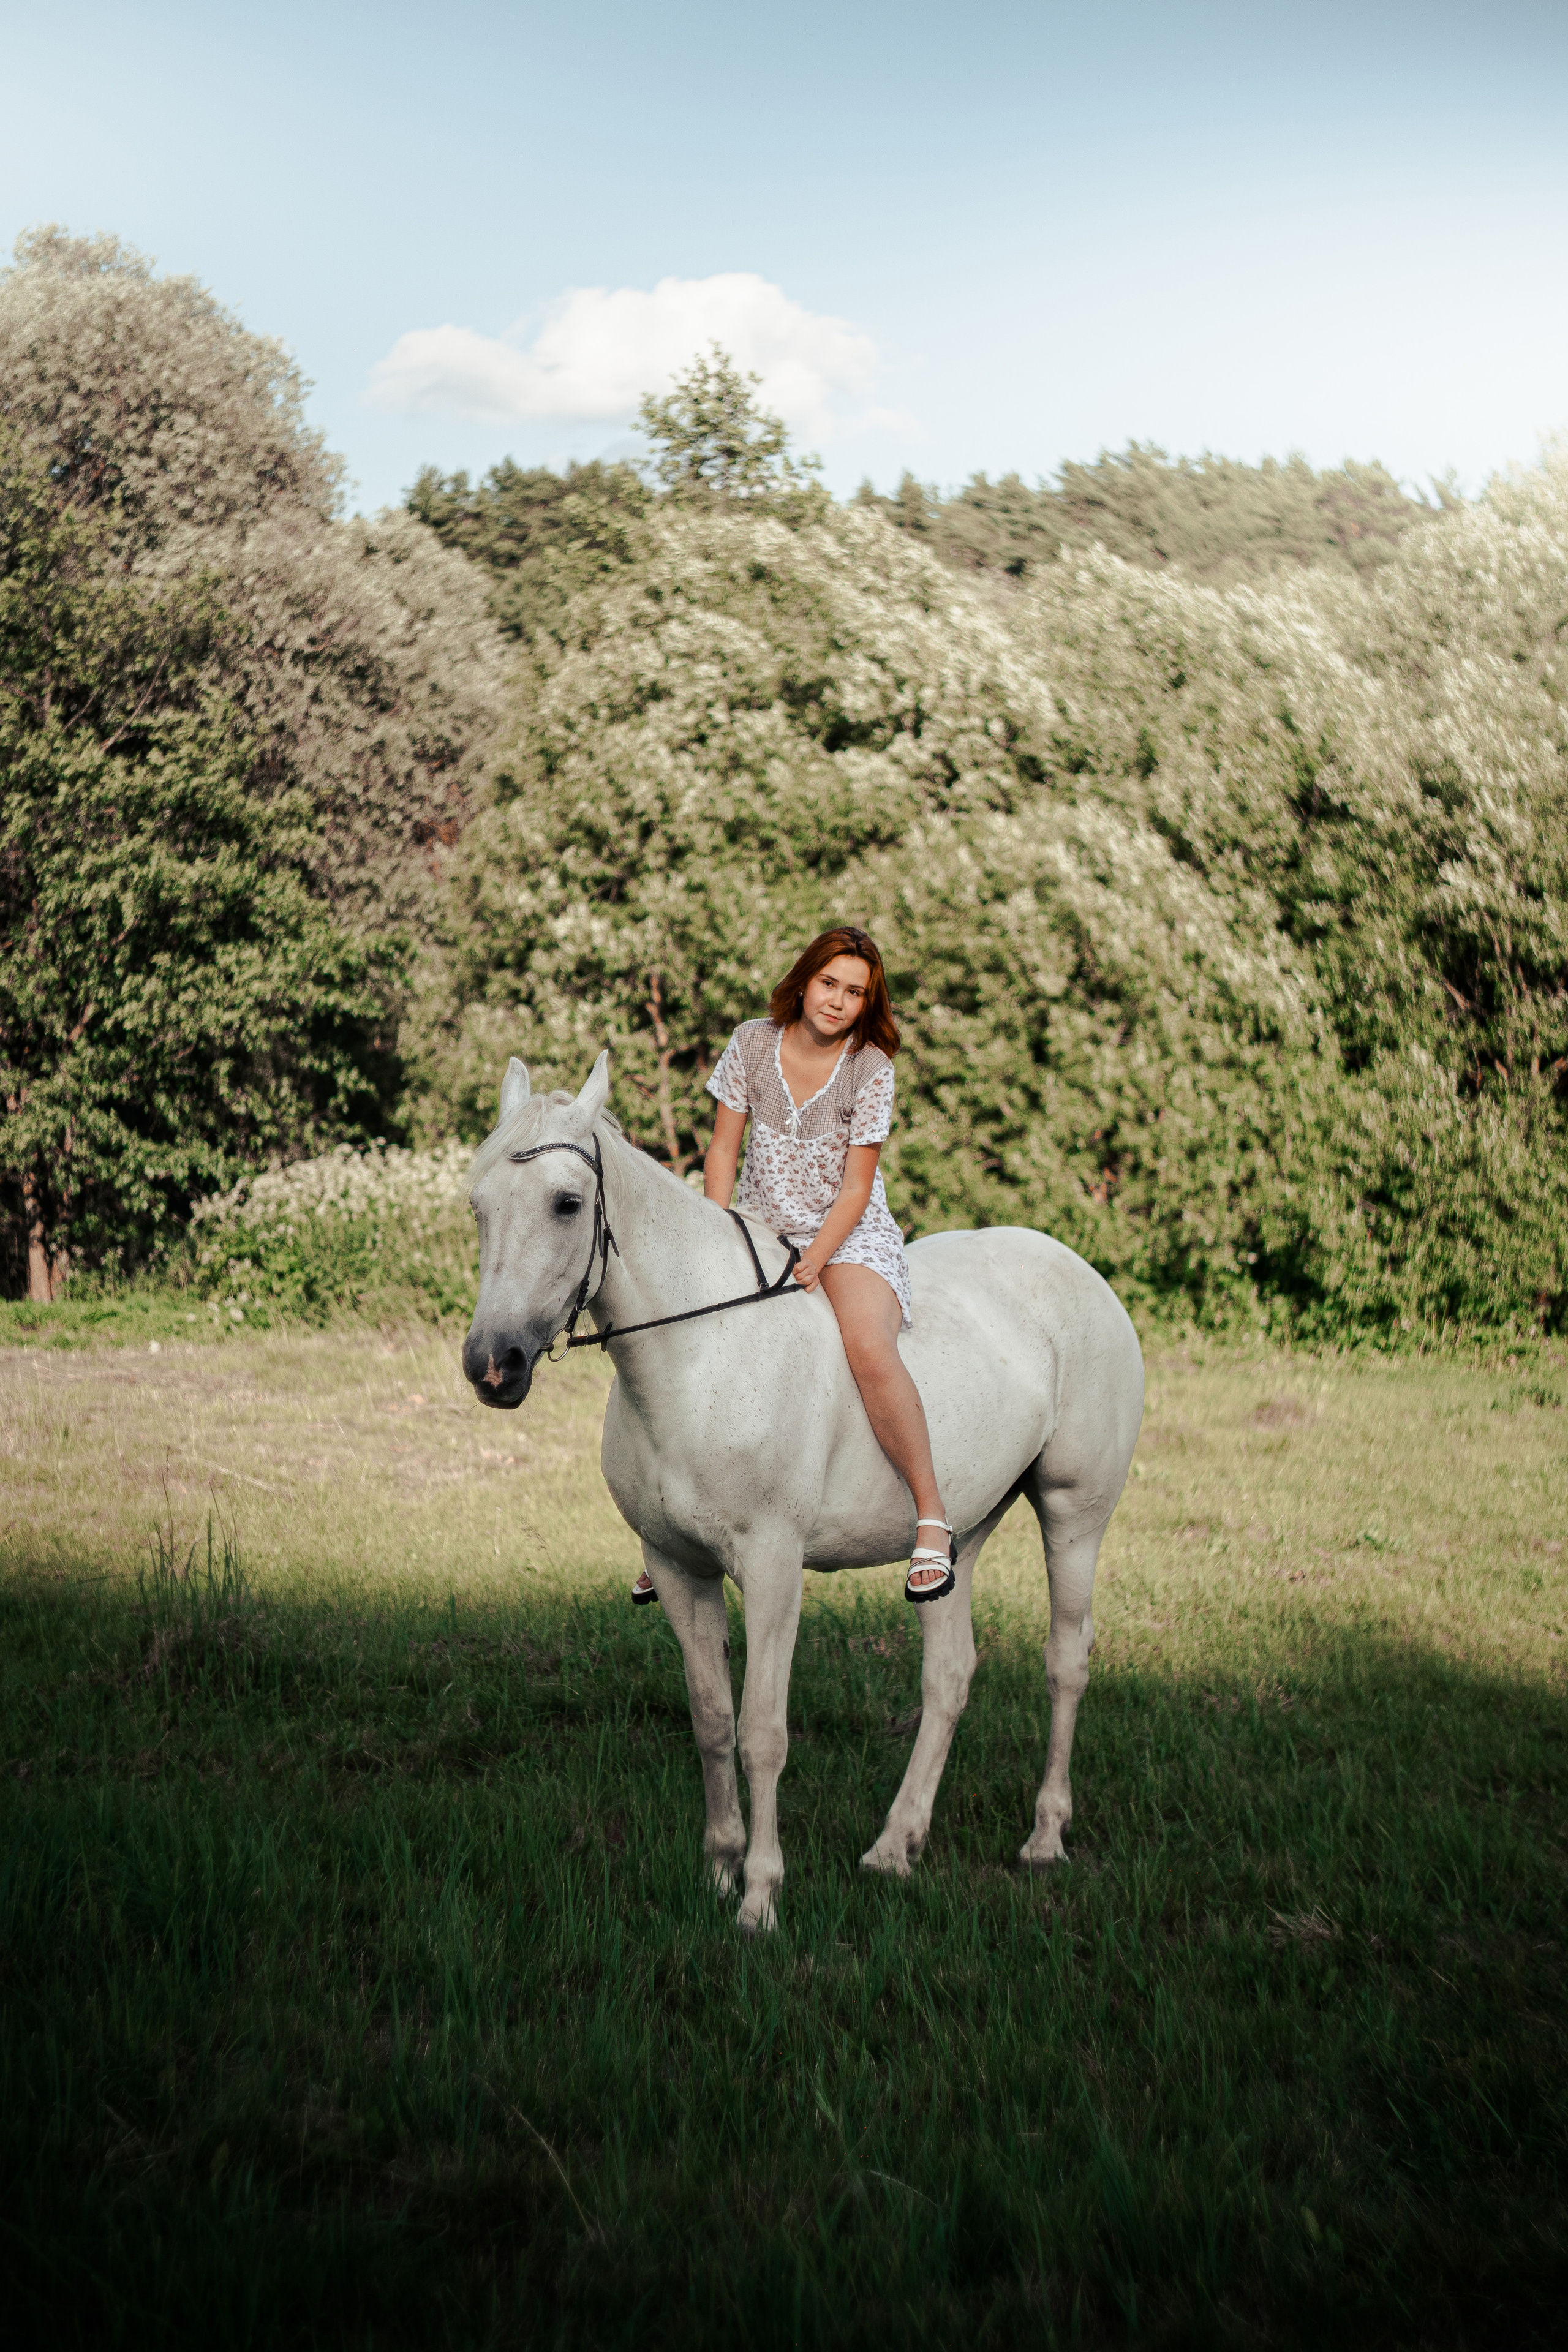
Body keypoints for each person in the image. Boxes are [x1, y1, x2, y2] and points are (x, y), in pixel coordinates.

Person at [630, 927, 954, 1610]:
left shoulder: (870, 1070)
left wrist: (814, 1258)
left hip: (845, 1233)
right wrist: (717, 1237)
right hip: (756, 1223)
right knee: (691, 1339)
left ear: (868, 1005)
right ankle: (669, 1533)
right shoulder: (751, 1043)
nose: (838, 1001)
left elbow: (856, 1189)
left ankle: (931, 1516)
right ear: (804, 981)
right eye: (829, 983)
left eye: (855, 993)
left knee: (865, 1345)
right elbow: (722, 1151)